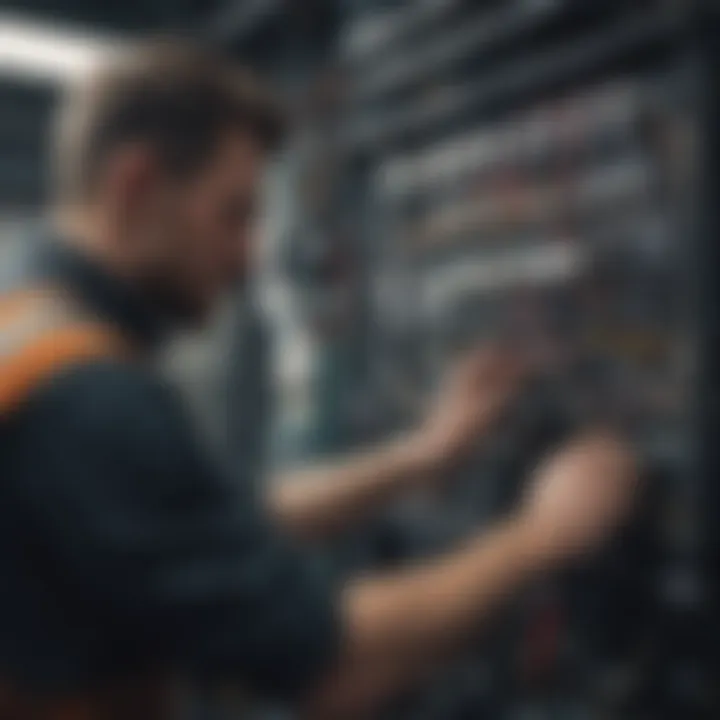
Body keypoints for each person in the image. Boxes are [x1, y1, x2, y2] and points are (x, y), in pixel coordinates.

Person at [0, 41, 637, 719]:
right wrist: (540, 535)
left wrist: (420, 457)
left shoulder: (28, 328)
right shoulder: (86, 395)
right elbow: (335, 666)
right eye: (234, 214)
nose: (247, 261)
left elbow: (216, 519)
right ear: (136, 185)